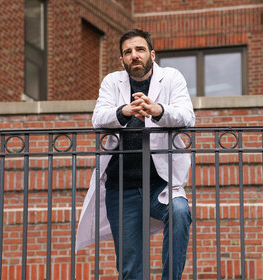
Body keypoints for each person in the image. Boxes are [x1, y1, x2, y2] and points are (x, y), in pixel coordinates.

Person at [76, 29, 196, 280]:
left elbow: (187, 116)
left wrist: (157, 109)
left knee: (180, 211)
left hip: (160, 184)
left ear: (152, 54)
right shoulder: (112, 82)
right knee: (131, 270)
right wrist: (125, 111)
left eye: (140, 50)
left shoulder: (171, 78)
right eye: (128, 52)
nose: (134, 56)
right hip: (122, 188)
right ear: (122, 60)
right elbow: (98, 119)